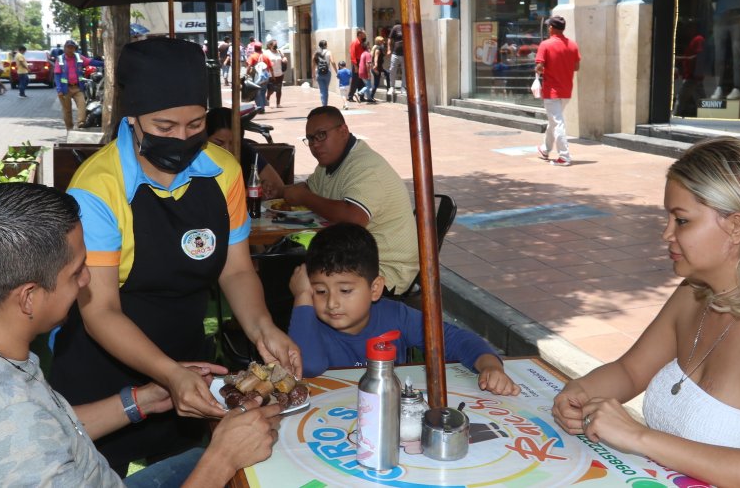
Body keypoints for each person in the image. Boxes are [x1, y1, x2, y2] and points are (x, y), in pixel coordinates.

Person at [0, 183, 283, 488]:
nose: (87, 280)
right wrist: (221, 459)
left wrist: (146, 399)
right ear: (28, 297)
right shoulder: (9, 421)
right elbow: (23, 433)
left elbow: (49, 430)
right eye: (76, 272)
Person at [50, 37, 300, 472]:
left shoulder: (224, 171)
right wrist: (167, 372)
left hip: (188, 360)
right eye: (165, 128)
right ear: (132, 119)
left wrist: (263, 329)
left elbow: (236, 270)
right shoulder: (98, 188)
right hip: (104, 368)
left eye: (195, 125)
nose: (182, 139)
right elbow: (101, 309)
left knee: (190, 471)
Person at [552, 137, 740, 487]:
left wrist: (638, 437)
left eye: (681, 221)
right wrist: (578, 392)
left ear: (737, 227)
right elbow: (630, 370)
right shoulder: (694, 294)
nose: (666, 233)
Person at [288, 223, 519, 394]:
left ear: (375, 288)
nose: (331, 303)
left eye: (345, 290)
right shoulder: (308, 323)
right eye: (320, 291)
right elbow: (309, 365)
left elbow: (453, 339)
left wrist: (490, 366)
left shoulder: (397, 316)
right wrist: (302, 298)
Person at [281, 106, 419, 295]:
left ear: (343, 131)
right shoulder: (329, 164)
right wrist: (282, 190)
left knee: (292, 281)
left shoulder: (365, 167)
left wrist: (304, 197)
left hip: (385, 272)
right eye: (311, 139)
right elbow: (309, 188)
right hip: (354, 259)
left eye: (321, 135)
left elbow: (353, 218)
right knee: (285, 267)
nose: (315, 144)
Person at [205, 107, 285, 200]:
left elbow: (279, 187)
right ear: (204, 139)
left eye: (233, 143)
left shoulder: (246, 152)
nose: (227, 149)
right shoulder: (195, 160)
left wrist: (267, 189)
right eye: (218, 143)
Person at [535, 15, 580, 167]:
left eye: (548, 26)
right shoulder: (573, 45)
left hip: (552, 91)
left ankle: (564, 157)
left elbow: (539, 68)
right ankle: (545, 149)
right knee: (554, 121)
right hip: (566, 90)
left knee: (557, 122)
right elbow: (576, 67)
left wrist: (541, 69)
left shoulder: (545, 44)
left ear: (551, 28)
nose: (548, 28)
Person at [54, 39, 90, 130]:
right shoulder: (60, 59)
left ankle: (81, 122)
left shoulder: (79, 57)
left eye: (72, 48)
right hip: (65, 89)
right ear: (65, 48)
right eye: (68, 47)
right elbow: (57, 75)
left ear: (75, 49)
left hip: (77, 88)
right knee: (67, 111)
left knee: (82, 104)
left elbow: (90, 62)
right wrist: (59, 90)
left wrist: (104, 63)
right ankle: (69, 128)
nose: (70, 49)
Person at [245, 41, 272, 112]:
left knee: (257, 93)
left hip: (257, 78)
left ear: (254, 48)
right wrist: (273, 76)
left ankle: (260, 108)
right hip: (265, 78)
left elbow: (249, 66)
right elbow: (270, 67)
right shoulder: (266, 56)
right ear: (261, 48)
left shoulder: (253, 56)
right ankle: (262, 107)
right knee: (263, 92)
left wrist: (246, 74)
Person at [313, 39, 337, 107]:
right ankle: (325, 104)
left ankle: (324, 104)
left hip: (319, 72)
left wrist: (313, 74)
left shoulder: (316, 53)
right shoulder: (329, 52)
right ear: (326, 45)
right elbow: (332, 62)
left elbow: (313, 64)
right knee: (326, 89)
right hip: (327, 73)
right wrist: (336, 71)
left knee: (322, 90)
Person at [265, 39, 287, 108]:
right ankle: (267, 102)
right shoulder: (266, 53)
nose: (276, 46)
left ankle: (278, 104)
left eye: (276, 44)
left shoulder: (279, 51)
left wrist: (285, 59)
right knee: (270, 90)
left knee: (279, 89)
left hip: (280, 74)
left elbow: (284, 58)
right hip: (270, 74)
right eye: (274, 44)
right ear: (270, 45)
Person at [347, 30, 367, 104]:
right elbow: (353, 54)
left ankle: (361, 96)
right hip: (357, 63)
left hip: (361, 62)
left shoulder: (362, 43)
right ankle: (350, 96)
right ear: (360, 34)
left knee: (361, 80)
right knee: (355, 80)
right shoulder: (355, 42)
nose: (365, 35)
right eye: (364, 34)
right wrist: (355, 65)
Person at [386, 24, 405, 100]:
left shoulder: (408, 27)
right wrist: (389, 49)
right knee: (392, 69)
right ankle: (392, 87)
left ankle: (403, 87)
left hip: (405, 54)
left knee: (405, 71)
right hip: (395, 53)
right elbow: (389, 38)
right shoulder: (396, 27)